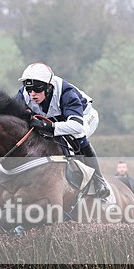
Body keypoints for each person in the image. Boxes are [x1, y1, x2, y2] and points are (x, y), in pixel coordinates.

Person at [17, 62, 110, 198]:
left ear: (49, 87)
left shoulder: (66, 93)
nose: (32, 94)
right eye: (29, 89)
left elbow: (76, 125)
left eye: (37, 89)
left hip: (83, 116)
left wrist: (48, 127)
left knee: (77, 134)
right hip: (55, 119)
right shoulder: (24, 94)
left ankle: (98, 180)